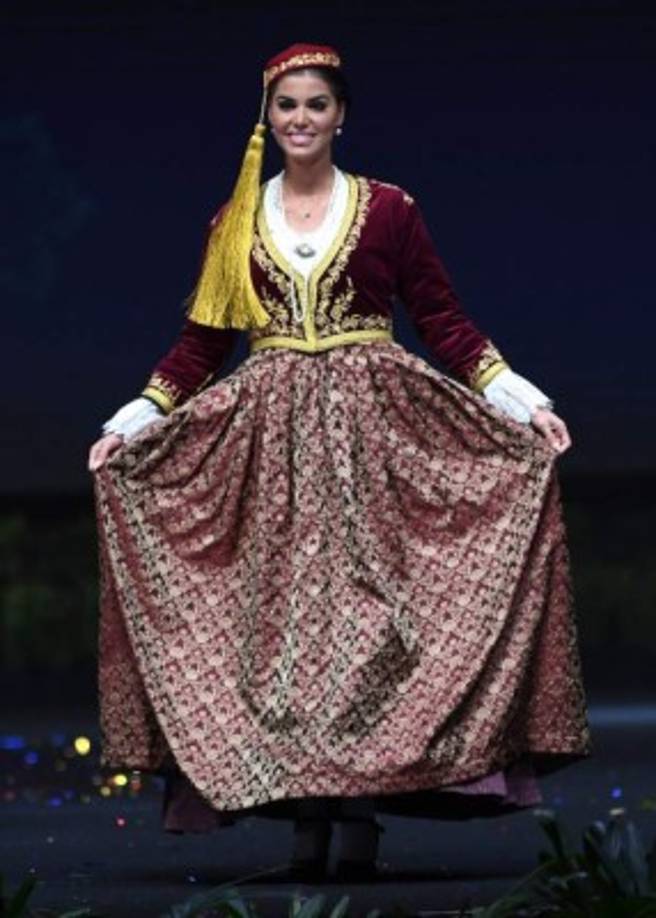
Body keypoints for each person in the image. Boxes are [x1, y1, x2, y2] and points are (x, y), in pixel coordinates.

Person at [89, 43, 590, 881]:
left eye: (315, 104)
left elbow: (442, 318)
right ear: (268, 117)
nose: (300, 119)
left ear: (341, 115)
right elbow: (202, 342)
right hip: (271, 446)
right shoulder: (239, 218)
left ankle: (357, 819)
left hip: (377, 437)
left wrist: (523, 400)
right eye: (286, 105)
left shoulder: (389, 208)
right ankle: (307, 826)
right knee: (289, 636)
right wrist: (132, 419)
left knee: (369, 631)